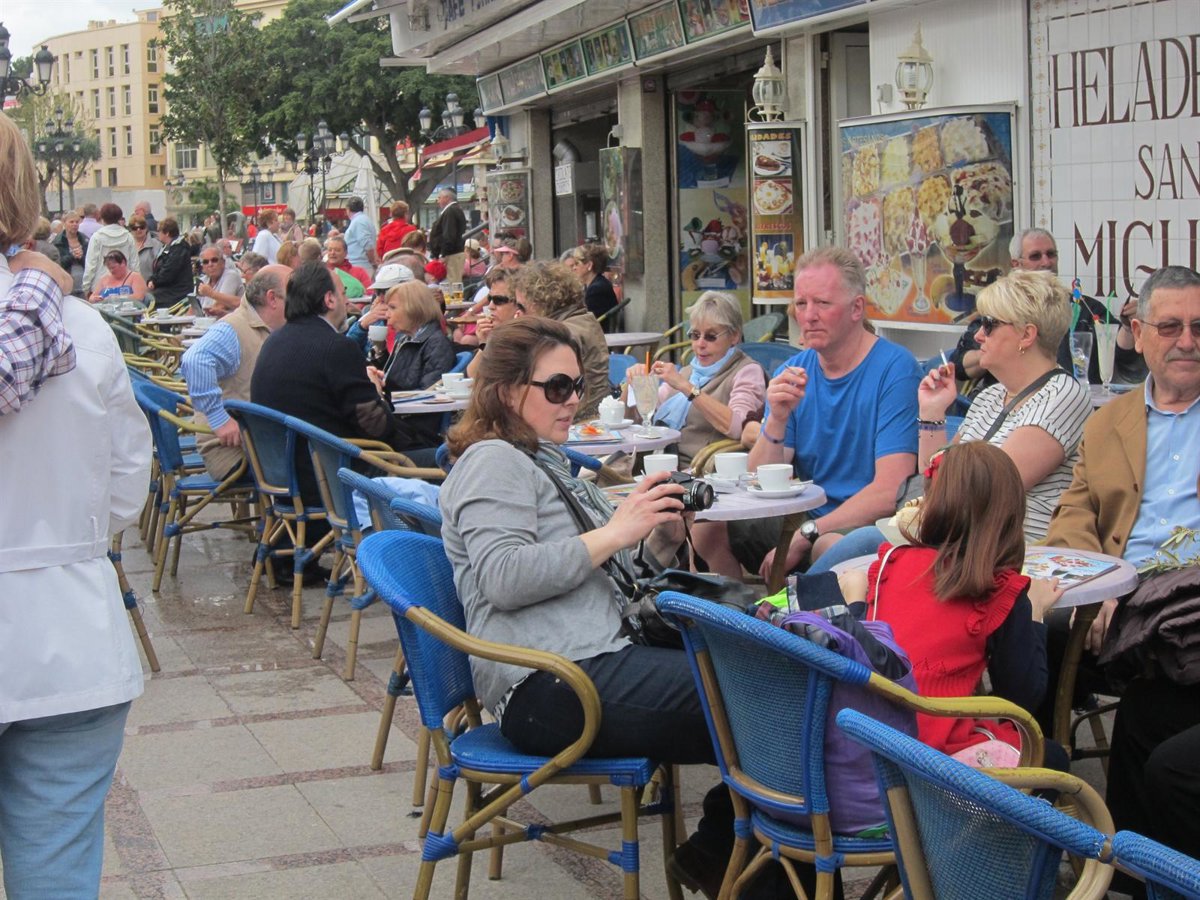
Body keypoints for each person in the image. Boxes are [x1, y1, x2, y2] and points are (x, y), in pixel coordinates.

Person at [439, 316, 733, 895]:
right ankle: (730, 855)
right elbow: (502, 576)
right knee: (766, 698)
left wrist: (658, 534)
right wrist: (616, 531)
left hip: (589, 661)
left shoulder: (541, 458)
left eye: (576, 385)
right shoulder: (492, 460)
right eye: (556, 387)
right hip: (549, 682)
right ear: (507, 392)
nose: (573, 399)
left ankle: (723, 852)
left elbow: (607, 573)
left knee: (774, 687)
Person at [0, 109, 153, 898]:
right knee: (55, 874)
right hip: (69, 632)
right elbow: (126, 487)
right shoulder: (78, 329)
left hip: (64, 625)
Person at [1045, 264, 1200, 871]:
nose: (1187, 341)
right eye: (1170, 327)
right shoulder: (1110, 418)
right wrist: (1097, 583)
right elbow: (1074, 510)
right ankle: (1038, 813)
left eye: (1199, 327)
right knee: (1025, 633)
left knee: (1149, 713)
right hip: (1120, 597)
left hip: (1188, 602)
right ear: (1137, 332)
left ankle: (1142, 871)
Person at [811, 269, 1092, 573]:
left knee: (857, 547)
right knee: (831, 545)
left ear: (1027, 335)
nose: (978, 336)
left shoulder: (1062, 396)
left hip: (1006, 555)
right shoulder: (992, 395)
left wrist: (933, 491)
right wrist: (932, 413)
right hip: (960, 543)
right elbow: (933, 481)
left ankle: (785, 601)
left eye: (989, 325)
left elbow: (988, 490)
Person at [691, 246, 922, 580]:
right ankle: (732, 611)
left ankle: (806, 613)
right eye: (801, 304)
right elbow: (758, 479)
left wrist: (807, 534)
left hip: (863, 526)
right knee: (706, 524)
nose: (809, 316)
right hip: (802, 515)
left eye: (822, 303)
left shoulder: (895, 369)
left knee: (828, 546)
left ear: (857, 308)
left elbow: (889, 491)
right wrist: (777, 419)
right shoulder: (794, 371)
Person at [841, 442, 1063, 764]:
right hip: (932, 758)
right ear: (1009, 515)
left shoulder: (891, 562)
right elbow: (1022, 698)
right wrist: (1035, 613)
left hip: (869, 735)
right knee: (1052, 757)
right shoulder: (1000, 589)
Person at [250, 261, 424, 474]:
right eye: (343, 294)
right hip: (337, 474)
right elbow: (377, 428)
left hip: (283, 473)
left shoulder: (273, 341)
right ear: (329, 299)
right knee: (448, 461)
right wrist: (375, 390)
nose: (347, 301)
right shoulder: (336, 347)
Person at [956, 228, 1146, 389]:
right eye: (1035, 256)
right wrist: (998, 351)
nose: (1046, 262)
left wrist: (1128, 327)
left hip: (1076, 404)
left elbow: (1122, 357)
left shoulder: (1085, 308)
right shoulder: (1001, 309)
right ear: (1016, 264)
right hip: (1012, 403)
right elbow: (960, 366)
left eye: (1051, 254)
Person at [623, 290, 766, 466]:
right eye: (695, 335)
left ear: (734, 336)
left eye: (711, 336)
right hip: (658, 460)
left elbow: (739, 426)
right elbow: (638, 419)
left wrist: (687, 388)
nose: (700, 344)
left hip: (699, 469)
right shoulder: (690, 371)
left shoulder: (747, 371)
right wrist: (633, 385)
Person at [180, 265, 290, 481]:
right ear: (272, 299)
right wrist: (219, 419)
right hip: (234, 454)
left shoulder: (267, 326)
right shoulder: (235, 327)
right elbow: (194, 360)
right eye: (295, 293)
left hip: (259, 446)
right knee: (323, 470)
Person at [511, 261, 609, 420]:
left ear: (539, 303)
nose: (518, 313)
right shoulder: (582, 320)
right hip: (591, 414)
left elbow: (534, 386)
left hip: (575, 419)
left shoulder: (560, 335)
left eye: (521, 307)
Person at [368, 279, 456, 448]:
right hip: (400, 422)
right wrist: (379, 354)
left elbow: (428, 396)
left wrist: (383, 396)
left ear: (414, 308)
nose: (387, 314)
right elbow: (395, 376)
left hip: (414, 431)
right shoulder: (405, 338)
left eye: (392, 307)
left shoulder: (436, 344)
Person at [81, 203, 137, 295]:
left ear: (102, 217)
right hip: (125, 285)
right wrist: (136, 283)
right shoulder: (128, 236)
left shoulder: (97, 237)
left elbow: (91, 264)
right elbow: (134, 263)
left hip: (100, 286)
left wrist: (86, 288)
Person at [147, 218, 194, 308]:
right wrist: (152, 279)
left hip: (177, 292)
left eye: (159, 231)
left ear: (167, 233)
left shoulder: (179, 249)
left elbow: (169, 272)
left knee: (148, 299)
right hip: (169, 289)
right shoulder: (168, 247)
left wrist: (154, 281)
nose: (157, 233)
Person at [569, 242, 619, 324]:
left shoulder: (596, 289)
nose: (574, 268)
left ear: (589, 265)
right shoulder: (594, 284)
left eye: (577, 264)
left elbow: (588, 321)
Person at [428, 186, 466, 281]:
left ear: (447, 197)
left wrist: (443, 254)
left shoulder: (451, 211)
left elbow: (449, 234)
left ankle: (453, 295)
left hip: (452, 255)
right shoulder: (453, 210)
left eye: (439, 198)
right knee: (452, 282)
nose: (438, 201)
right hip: (452, 253)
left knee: (453, 282)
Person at [195, 245, 245, 316]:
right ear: (202, 266)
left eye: (214, 260)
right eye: (206, 262)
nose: (210, 264)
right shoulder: (202, 280)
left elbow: (221, 305)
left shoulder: (231, 275)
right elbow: (193, 309)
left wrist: (210, 293)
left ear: (223, 262)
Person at [51, 211, 88, 296]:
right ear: (64, 223)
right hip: (66, 282)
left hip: (84, 282)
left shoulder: (85, 240)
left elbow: (90, 262)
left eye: (77, 222)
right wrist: (72, 256)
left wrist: (81, 257)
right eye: (71, 222)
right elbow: (57, 264)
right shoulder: (57, 242)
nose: (75, 224)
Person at [343, 196, 378, 277]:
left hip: (359, 265)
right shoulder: (364, 219)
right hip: (362, 265)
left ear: (348, 209)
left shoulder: (358, 222)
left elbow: (368, 245)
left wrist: (372, 261)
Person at [129, 214, 162, 282]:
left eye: (142, 227)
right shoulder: (127, 245)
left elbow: (161, 268)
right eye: (135, 228)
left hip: (151, 285)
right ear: (131, 230)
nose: (138, 230)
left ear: (146, 228)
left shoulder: (157, 245)